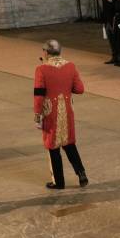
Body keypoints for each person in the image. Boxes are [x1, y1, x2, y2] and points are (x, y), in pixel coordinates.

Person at [33, 40, 88, 190]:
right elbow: (80, 89)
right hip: (67, 110)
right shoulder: (70, 66)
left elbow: (38, 95)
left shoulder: (41, 69)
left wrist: (37, 115)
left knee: (53, 147)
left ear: (46, 52)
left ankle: (59, 181)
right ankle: (81, 173)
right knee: (69, 144)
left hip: (51, 112)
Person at [102, 0, 117, 64]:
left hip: (113, 22)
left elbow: (114, 9)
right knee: (111, 41)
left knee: (115, 40)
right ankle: (114, 57)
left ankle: (118, 57)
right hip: (107, 22)